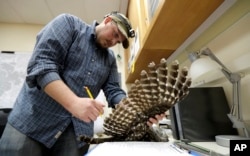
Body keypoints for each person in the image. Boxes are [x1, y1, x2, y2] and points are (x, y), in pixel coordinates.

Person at [0, 12, 165, 156]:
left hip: (75, 134)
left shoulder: (110, 59)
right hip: (32, 122)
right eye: (115, 34)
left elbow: (114, 91)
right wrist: (73, 103)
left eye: (118, 41)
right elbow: (42, 65)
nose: (114, 41)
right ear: (107, 20)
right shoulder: (69, 25)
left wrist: (136, 110)